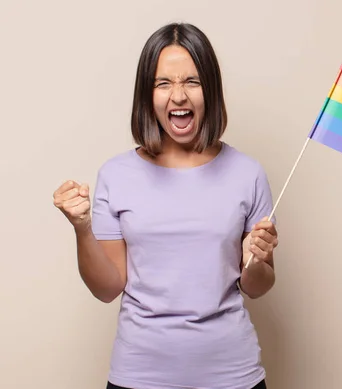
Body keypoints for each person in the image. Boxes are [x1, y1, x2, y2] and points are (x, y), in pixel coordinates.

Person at [52, 22, 278, 389]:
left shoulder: (247, 173)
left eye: (192, 81)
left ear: (211, 89)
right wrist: (82, 229)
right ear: (147, 94)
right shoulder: (117, 174)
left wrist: (259, 258)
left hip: (232, 375)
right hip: (139, 375)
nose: (179, 97)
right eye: (163, 83)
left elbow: (257, 285)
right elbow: (108, 288)